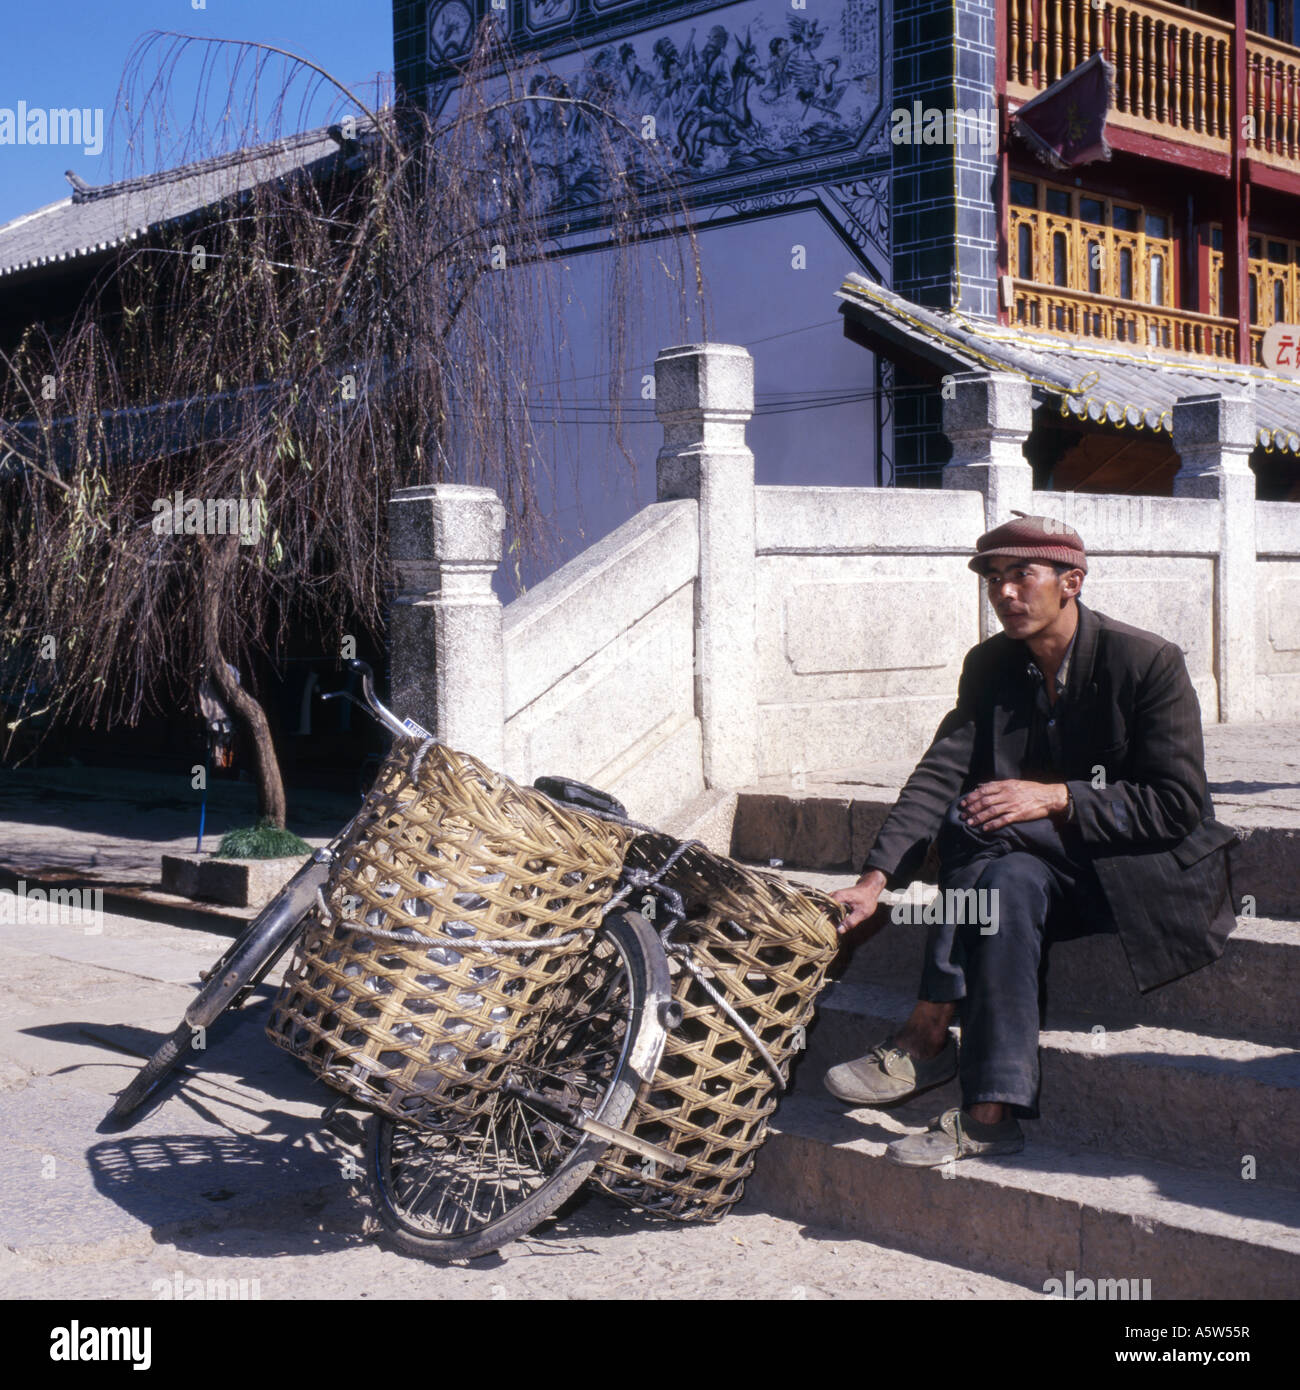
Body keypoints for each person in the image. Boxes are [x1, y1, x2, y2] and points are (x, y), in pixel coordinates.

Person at [827, 513, 1237, 1166]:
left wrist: (1057, 796)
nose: (1005, 594)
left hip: (1142, 873)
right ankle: (989, 1115)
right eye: (994, 579)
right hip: (1039, 871)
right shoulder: (992, 666)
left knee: (976, 829)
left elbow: (1179, 804)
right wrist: (878, 881)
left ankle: (929, 1030)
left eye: (1023, 575)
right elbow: (943, 769)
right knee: (1002, 885)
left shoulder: (1147, 661)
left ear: (1071, 581)